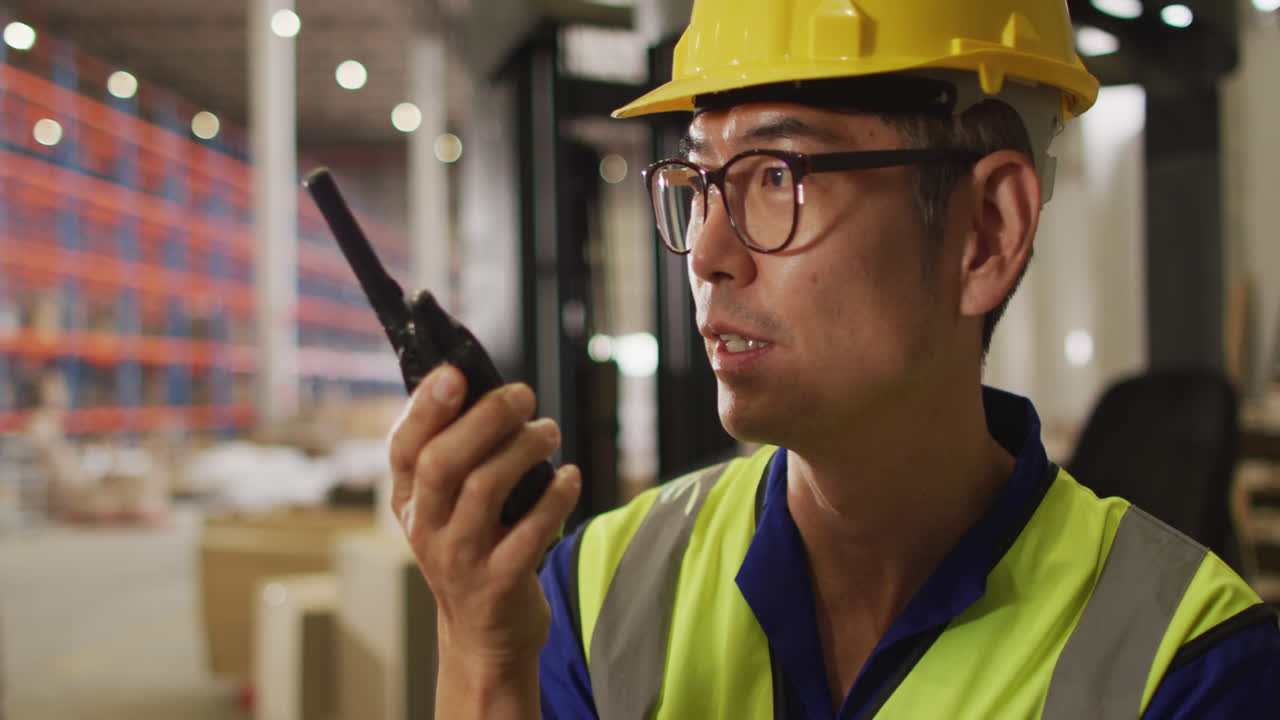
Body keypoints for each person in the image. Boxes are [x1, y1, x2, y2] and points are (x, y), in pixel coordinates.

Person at [388, 0, 1280, 717]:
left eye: (779, 173)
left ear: (986, 233)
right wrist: (482, 651)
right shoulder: (592, 598)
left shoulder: (1189, 665)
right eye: (701, 180)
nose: (705, 254)